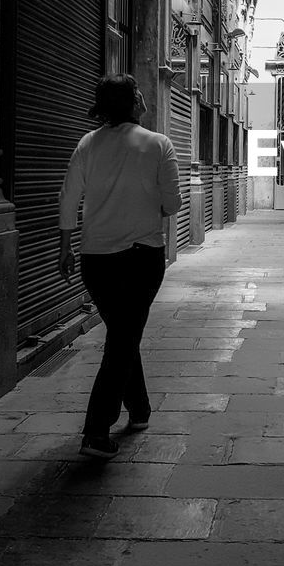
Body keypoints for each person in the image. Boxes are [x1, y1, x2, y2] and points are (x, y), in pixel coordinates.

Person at [58, 74, 181, 459]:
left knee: (122, 333)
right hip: (142, 256)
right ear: (132, 103)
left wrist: (65, 247)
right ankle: (96, 431)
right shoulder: (159, 144)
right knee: (123, 337)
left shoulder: (88, 144)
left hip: (95, 259)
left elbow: (68, 198)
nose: (144, 98)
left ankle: (140, 409)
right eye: (139, 94)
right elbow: (174, 204)